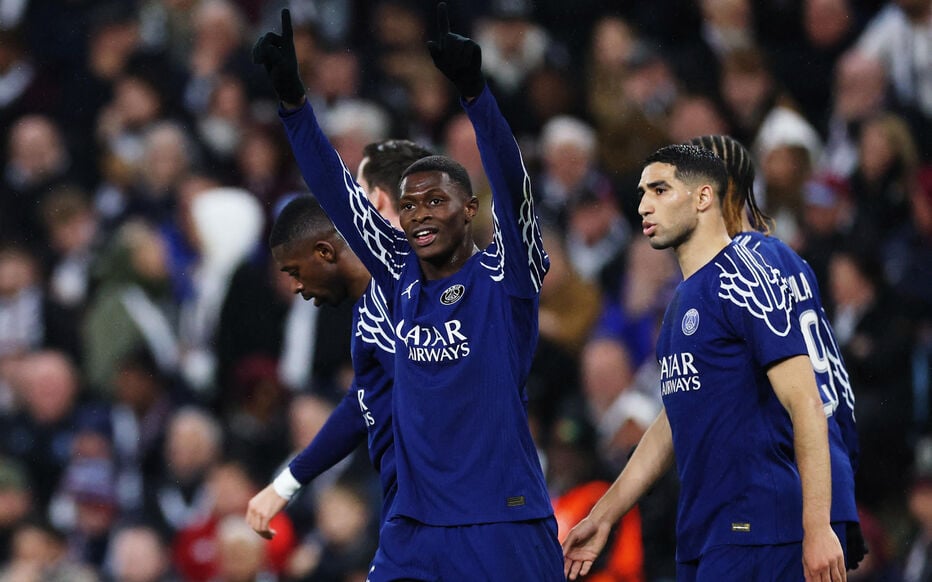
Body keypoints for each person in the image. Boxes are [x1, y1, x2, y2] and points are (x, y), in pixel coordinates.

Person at [252, 4, 564, 579]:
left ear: (469, 210)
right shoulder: (398, 277)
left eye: (436, 201)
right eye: (411, 203)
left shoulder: (506, 278)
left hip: (503, 524)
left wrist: (475, 95)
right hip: (414, 530)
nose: (419, 214)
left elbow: (515, 189)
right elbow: (338, 194)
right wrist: (295, 106)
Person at [563, 144, 846, 581]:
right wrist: (606, 513)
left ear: (703, 198)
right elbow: (676, 416)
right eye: (642, 193)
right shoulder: (679, 303)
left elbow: (806, 401)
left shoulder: (747, 277)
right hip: (703, 531)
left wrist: (817, 526)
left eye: (660, 189)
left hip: (759, 528)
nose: (643, 205)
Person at [690, 133, 865, 570]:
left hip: (793, 487)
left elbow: (802, 398)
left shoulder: (737, 271)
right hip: (822, 473)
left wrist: (818, 520)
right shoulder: (782, 256)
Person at [245, 138, 432, 536]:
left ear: (379, 203)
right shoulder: (368, 305)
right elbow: (363, 400)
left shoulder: (458, 285)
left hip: (477, 505)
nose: (346, 213)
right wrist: (286, 483)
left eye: (357, 198)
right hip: (419, 510)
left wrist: (293, 104)